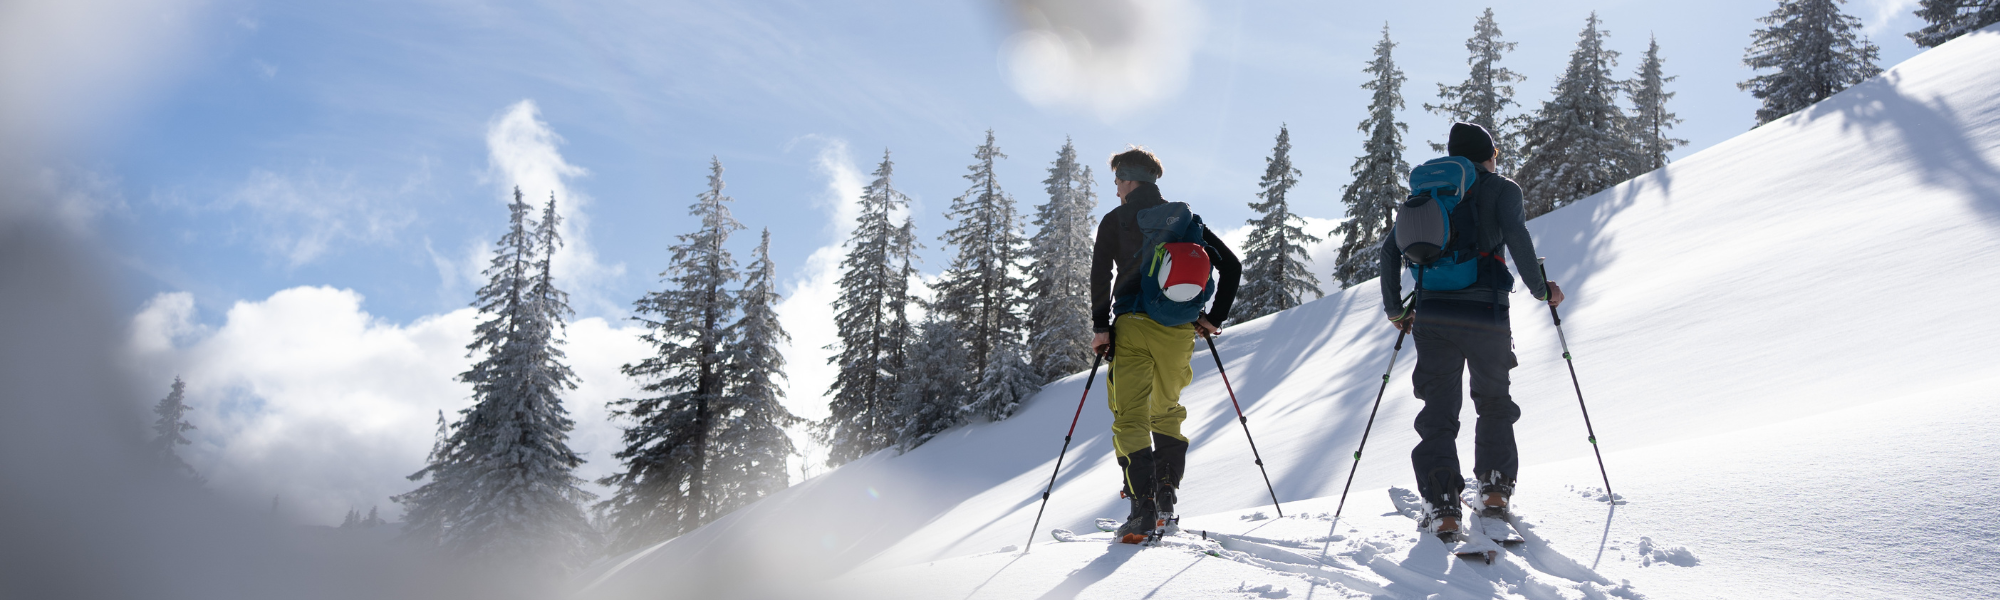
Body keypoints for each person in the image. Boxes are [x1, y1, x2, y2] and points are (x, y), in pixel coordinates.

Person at [1378, 123, 1565, 543]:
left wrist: (1396, 310)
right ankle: (1495, 490)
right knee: (1494, 401)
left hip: (1432, 315)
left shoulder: (1430, 193)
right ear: (1489, 154)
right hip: (1487, 313)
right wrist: (1542, 290)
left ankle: (1443, 507)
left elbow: (1390, 251)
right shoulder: (1502, 189)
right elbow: (1517, 239)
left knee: (1439, 411)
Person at [1089, 146, 1242, 542]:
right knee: (1167, 412)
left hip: (1134, 325)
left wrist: (1101, 327)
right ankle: (1167, 500)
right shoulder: (1185, 219)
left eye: (1117, 181)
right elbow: (1232, 265)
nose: (1116, 189)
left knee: (1131, 416)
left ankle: (1142, 509)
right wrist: (1213, 317)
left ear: (1128, 178)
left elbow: (1100, 275)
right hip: (1178, 330)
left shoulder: (1115, 219)